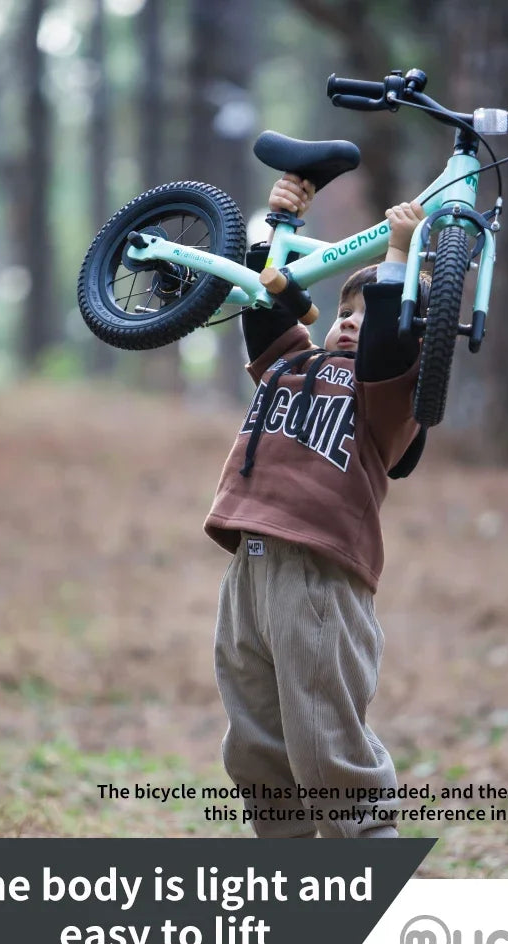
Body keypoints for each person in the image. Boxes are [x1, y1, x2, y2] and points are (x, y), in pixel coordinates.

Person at [204, 173, 429, 838]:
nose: (353, 322)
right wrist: (280, 224)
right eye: (344, 312)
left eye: (370, 311)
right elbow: (263, 302)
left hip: (318, 580)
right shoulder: (292, 364)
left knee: (328, 757)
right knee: (257, 754)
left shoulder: (382, 400)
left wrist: (397, 253)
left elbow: (393, 341)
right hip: (249, 569)